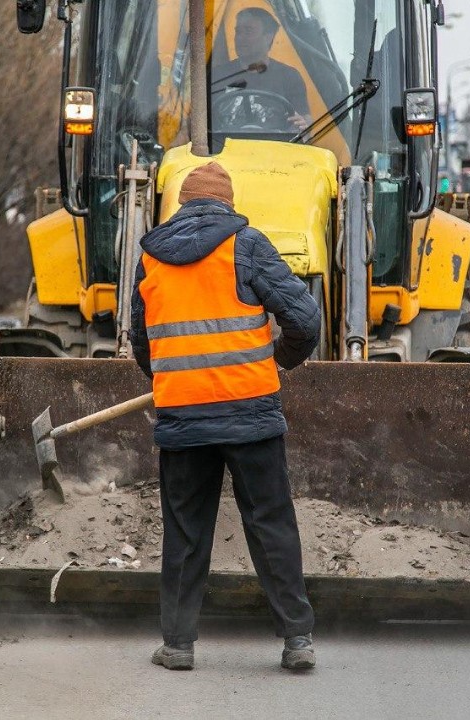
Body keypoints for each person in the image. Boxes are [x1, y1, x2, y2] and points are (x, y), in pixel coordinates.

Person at [131, 162, 321, 671]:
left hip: (182, 415)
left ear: (181, 204)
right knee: (270, 524)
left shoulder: (150, 256)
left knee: (186, 532)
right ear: (227, 204)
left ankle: (178, 645)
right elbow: (305, 320)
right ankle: (297, 640)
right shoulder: (246, 245)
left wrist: (177, 379)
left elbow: (142, 343)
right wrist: (278, 360)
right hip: (250, 411)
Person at [211, 7, 311, 132]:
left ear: (268, 37)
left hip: (275, 144)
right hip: (224, 144)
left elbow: (305, 124)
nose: (240, 37)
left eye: (248, 31)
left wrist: (303, 125)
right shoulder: (216, 76)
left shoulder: (289, 77)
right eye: (238, 31)